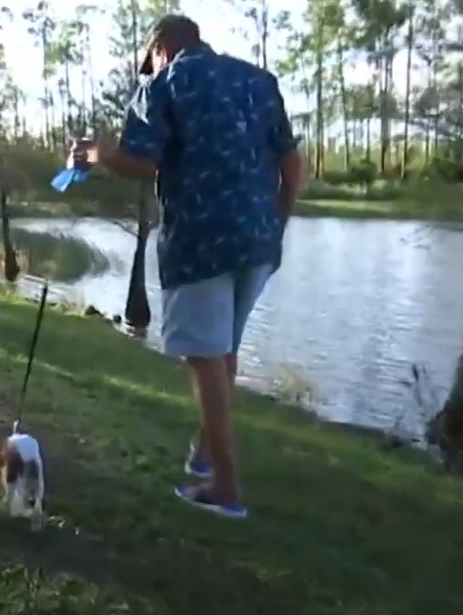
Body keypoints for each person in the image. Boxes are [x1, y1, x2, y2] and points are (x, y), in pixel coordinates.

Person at [70, 14, 305, 519]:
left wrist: (99, 155)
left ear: (160, 48)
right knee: (222, 352)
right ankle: (204, 452)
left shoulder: (166, 82)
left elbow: (141, 161)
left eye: (146, 63)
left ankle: (225, 487)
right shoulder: (259, 81)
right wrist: (276, 224)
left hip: (200, 242)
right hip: (258, 241)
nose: (145, 71)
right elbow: (292, 166)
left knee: (205, 358)